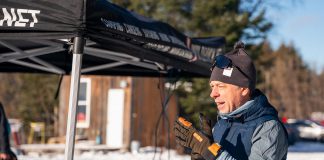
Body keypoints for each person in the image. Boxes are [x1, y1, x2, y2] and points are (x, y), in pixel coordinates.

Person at [174, 41, 288, 160]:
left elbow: (214, 154)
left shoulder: (268, 128)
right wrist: (202, 155)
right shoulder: (221, 124)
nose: (213, 94)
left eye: (221, 86)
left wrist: (213, 154)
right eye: (212, 86)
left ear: (243, 89)